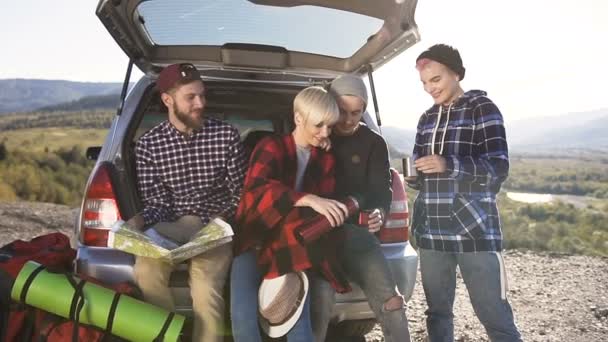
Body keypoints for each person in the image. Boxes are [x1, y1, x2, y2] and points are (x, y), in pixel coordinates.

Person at [126, 63, 247, 342]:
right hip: (173, 225)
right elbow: (157, 204)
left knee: (206, 286)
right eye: (191, 97)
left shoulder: (225, 136)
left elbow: (240, 195)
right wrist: (137, 222)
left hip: (215, 226)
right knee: (145, 271)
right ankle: (167, 336)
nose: (200, 103)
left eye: (202, 95)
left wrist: (218, 222)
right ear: (168, 100)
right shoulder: (149, 146)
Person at [409, 44, 522, 342]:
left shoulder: (481, 108)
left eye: (436, 80)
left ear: (456, 73)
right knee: (437, 314)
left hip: (474, 230)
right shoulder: (426, 119)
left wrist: (449, 164)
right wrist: (416, 175)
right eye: (424, 83)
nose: (429, 89)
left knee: (494, 315)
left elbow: (498, 167)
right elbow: (425, 174)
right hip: (432, 231)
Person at [230, 86, 351, 342]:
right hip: (254, 240)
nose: (325, 133)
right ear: (298, 119)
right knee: (242, 317)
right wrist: (307, 199)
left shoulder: (325, 158)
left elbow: (324, 211)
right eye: (319, 125)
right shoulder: (270, 146)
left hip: (292, 245)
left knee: (296, 314)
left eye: (330, 127)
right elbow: (257, 189)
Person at [309, 74, 411, 342]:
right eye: (342, 111)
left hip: (359, 235)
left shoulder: (374, 143)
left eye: (356, 113)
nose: (348, 120)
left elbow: (382, 191)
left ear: (364, 110)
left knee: (391, 301)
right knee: (318, 300)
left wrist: (380, 212)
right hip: (318, 237)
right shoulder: (316, 134)